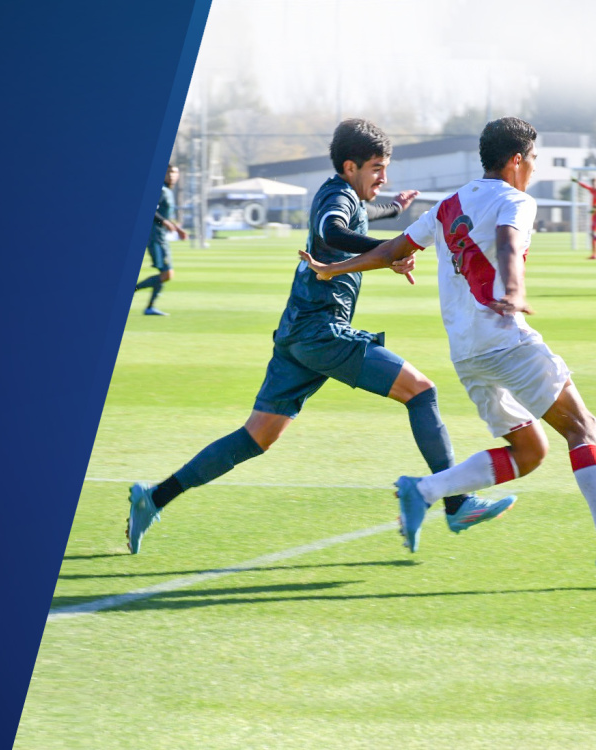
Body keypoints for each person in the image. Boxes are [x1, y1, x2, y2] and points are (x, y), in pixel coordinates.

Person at [126, 119, 513, 554]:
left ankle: (153, 497)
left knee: (257, 436)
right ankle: (456, 503)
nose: (383, 177)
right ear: (350, 167)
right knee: (421, 393)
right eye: (377, 168)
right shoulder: (337, 196)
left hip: (297, 332)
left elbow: (358, 216)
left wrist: (393, 209)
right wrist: (391, 251)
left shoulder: (343, 194)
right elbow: (333, 231)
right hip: (322, 332)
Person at [300, 116, 596, 553]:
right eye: (533, 159)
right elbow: (508, 241)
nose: (533, 169)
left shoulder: (448, 205)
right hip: (504, 340)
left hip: (468, 354)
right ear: (516, 160)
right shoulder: (516, 200)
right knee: (583, 430)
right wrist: (514, 289)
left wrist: (333, 268)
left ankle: (424, 491)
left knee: (530, 450)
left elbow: (392, 249)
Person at [135, 165, 188, 316]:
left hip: (161, 236)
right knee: (167, 274)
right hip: (155, 237)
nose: (172, 175)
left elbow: (163, 215)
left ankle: (150, 307)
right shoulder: (160, 190)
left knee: (165, 274)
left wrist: (176, 228)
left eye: (174, 173)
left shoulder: (167, 191)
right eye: (168, 172)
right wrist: (164, 222)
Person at [570, 175, 596, 259]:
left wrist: (595, 208)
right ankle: (594, 254)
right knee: (593, 235)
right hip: (594, 216)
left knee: (593, 235)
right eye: (593, 183)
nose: (594, 184)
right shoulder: (592, 190)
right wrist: (577, 181)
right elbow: (585, 186)